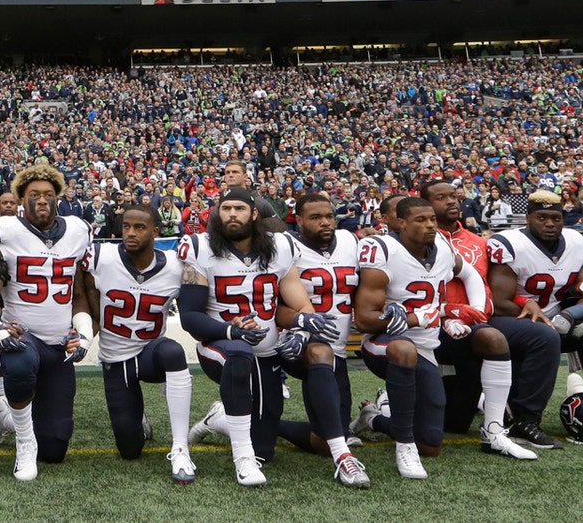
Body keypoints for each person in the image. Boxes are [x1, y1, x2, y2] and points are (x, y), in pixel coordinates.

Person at [350, 197, 526, 481]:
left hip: (427, 346)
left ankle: (374, 418)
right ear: (401, 222)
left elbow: (469, 274)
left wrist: (469, 313)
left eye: (431, 219)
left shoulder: (442, 248)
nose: (430, 225)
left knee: (431, 443)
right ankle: (404, 446)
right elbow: (365, 319)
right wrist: (418, 318)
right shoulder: (382, 249)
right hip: (384, 344)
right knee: (405, 349)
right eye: (421, 220)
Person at [178, 187, 318, 487]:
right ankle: (242, 458)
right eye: (225, 208)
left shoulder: (279, 246)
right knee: (239, 352)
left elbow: (301, 304)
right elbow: (190, 316)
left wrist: (301, 330)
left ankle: (218, 419)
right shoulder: (200, 247)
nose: (231, 214)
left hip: (266, 352)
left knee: (265, 450)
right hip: (220, 345)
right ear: (217, 213)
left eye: (239, 208)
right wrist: (231, 330)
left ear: (254, 214)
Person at [0, 164, 93, 481]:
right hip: (23, 337)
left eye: (48, 195)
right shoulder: (5, 231)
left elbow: (79, 294)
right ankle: (24, 445)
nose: (42, 200)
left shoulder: (78, 231)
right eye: (34, 195)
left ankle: (6, 416)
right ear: (20, 200)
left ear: (58, 198)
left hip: (58, 346)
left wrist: (84, 336)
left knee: (55, 448)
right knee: (19, 358)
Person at [418, 179, 537, 459]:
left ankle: (501, 426)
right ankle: (386, 407)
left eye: (454, 196)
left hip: (475, 322)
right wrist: (449, 313)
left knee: (529, 336)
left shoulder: (478, 242)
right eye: (441, 197)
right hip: (426, 325)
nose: (451, 201)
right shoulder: (414, 242)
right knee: (444, 428)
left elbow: (487, 283)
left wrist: (522, 300)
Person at [80, 205, 195, 484]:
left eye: (139, 227)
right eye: (126, 227)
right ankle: (139, 421)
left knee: (172, 350)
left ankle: (181, 447)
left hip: (150, 352)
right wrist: (82, 335)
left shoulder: (176, 265)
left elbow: (197, 307)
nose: (130, 233)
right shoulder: (100, 257)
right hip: (115, 359)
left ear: (155, 231)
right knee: (129, 450)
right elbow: (90, 308)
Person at [275, 194, 371, 487]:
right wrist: (301, 325)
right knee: (319, 353)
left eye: (329, 215)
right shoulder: (286, 245)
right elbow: (271, 304)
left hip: (338, 347)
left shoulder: (349, 241)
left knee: (323, 440)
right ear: (299, 220)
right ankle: (343, 459)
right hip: (298, 344)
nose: (325, 222)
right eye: (315, 217)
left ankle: (236, 422)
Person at [488, 190, 583, 449]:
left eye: (556, 218)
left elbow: (579, 288)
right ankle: (525, 421)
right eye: (541, 217)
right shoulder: (509, 243)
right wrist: (541, 317)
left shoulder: (577, 241)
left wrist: (574, 311)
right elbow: (498, 301)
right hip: (508, 320)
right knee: (544, 336)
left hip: (556, 319)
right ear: (528, 218)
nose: (550, 224)